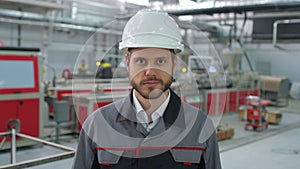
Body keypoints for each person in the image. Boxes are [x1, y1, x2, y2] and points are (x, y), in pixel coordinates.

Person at [72, 9, 221, 169]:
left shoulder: (200, 127)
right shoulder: (97, 125)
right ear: (128, 62)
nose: (150, 71)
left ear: (175, 63)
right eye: (141, 61)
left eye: (160, 61)